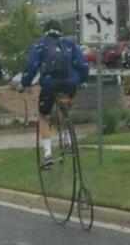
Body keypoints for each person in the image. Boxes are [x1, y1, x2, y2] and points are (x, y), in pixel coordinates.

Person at [19, 19, 89, 169]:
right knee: (65, 106)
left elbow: (31, 66)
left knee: (44, 116)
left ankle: (47, 154)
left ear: (46, 31)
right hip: (69, 84)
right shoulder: (69, 44)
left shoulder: (41, 43)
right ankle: (68, 139)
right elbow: (83, 64)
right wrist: (82, 80)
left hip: (50, 85)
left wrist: (25, 83)